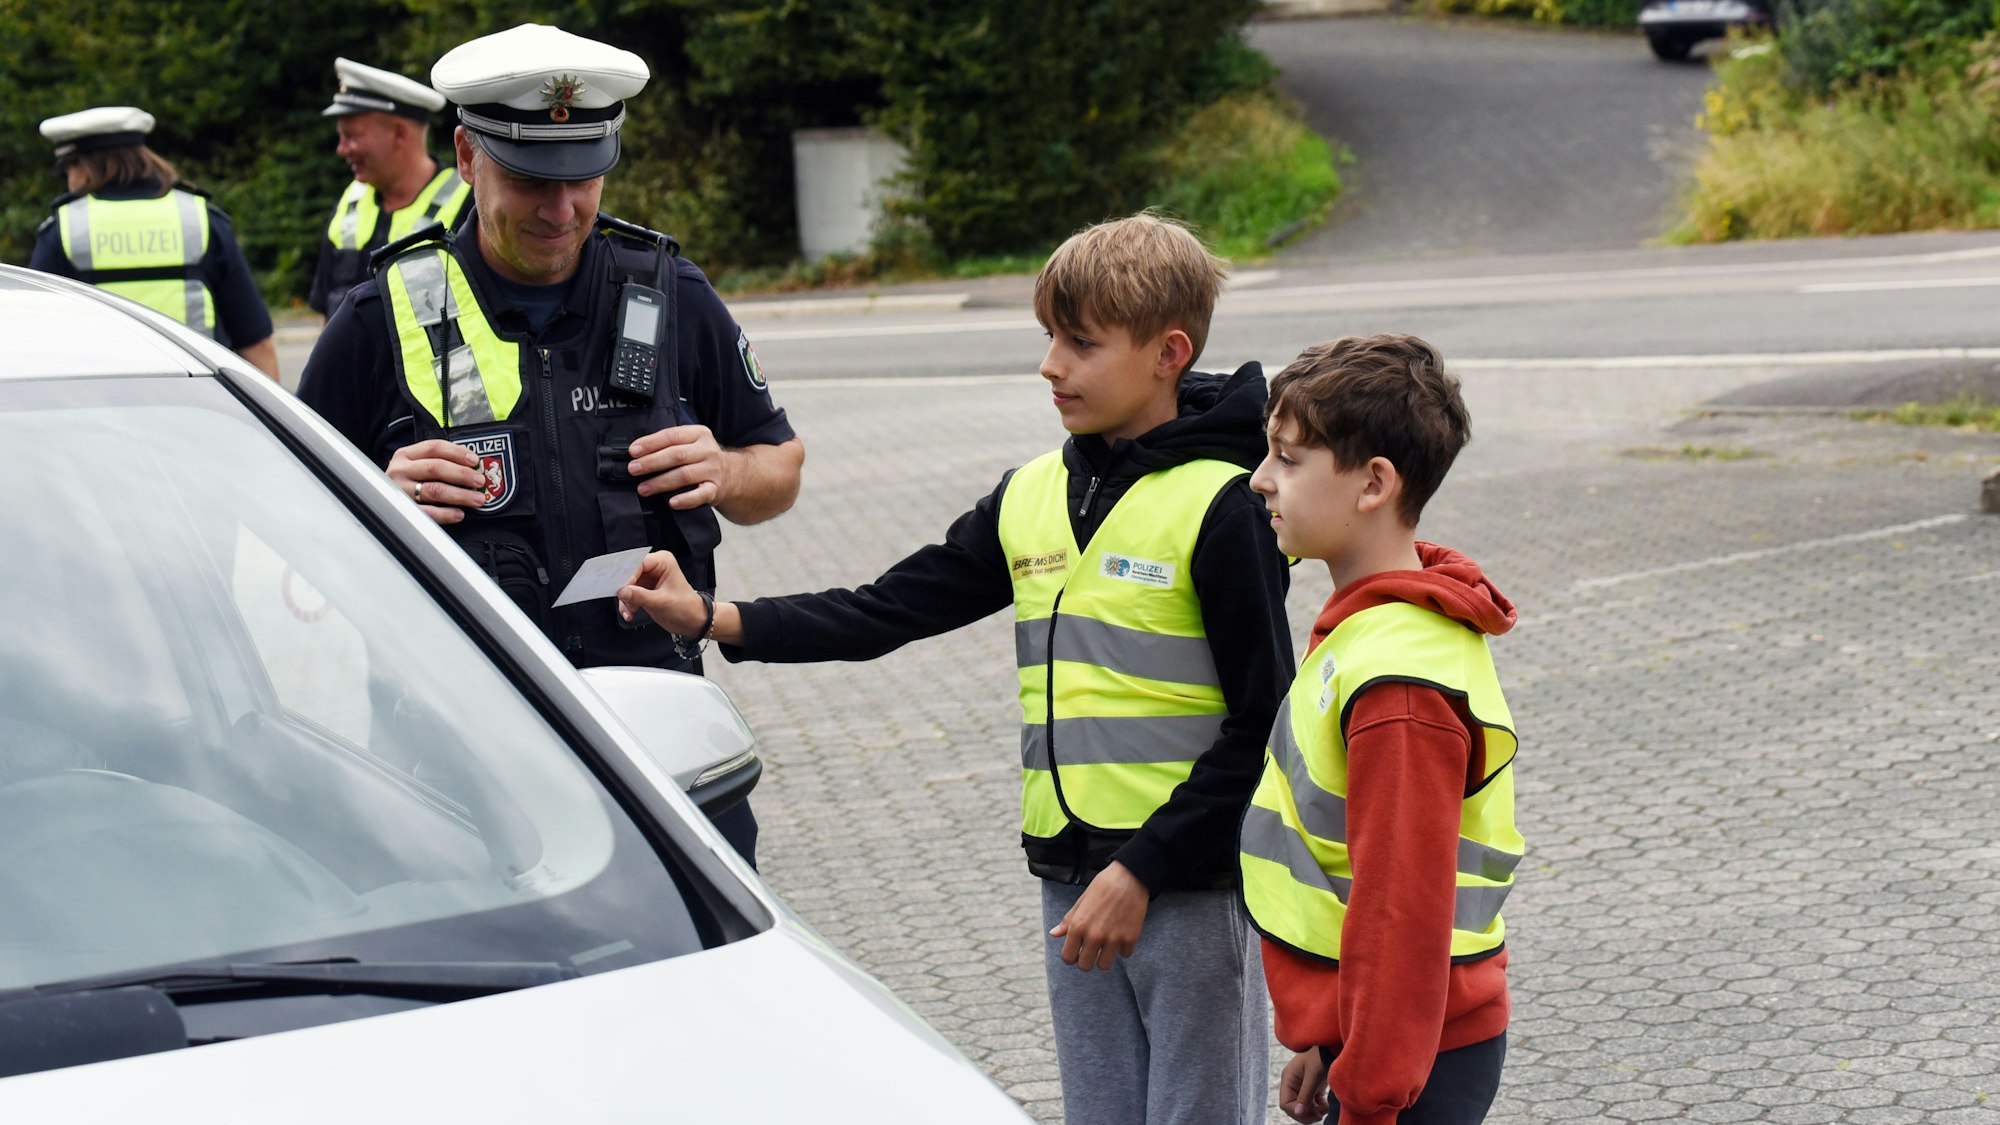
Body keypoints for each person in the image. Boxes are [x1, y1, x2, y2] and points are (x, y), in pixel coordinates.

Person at [619, 213, 1291, 1125]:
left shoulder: (1227, 502)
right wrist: (713, 617)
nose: (1050, 365)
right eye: (1049, 337)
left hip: (1186, 887)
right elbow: (885, 608)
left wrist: (1142, 870)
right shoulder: (1033, 493)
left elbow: (1265, 725)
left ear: (1169, 353)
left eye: (1081, 344)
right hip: (1070, 877)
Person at [295, 24, 804, 864]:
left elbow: (779, 467)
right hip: (455, 754)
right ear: (467, 156)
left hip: (654, 734)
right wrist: (374, 498)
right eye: (532, 181)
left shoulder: (667, 292)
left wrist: (726, 469)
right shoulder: (380, 313)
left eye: (583, 178)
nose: (562, 211)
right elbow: (281, 521)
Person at [1237, 335, 1524, 1125]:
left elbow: (1401, 916)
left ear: (1373, 483)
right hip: (1386, 1043)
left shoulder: (1398, 682)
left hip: (1413, 1063)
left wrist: (1369, 1092)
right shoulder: (1375, 626)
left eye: (1289, 458)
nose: (1261, 478)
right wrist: (1330, 1037)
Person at [30, 106, 279, 380]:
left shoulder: (64, 230)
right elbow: (257, 345)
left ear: (83, 166)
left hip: (97, 400)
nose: (68, 182)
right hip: (199, 399)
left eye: (66, 170)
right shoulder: (200, 220)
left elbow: (36, 343)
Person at [311, 57, 471, 319]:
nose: (341, 149)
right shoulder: (351, 201)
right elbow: (327, 313)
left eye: (351, 136)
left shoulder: (469, 203)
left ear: (399, 133)